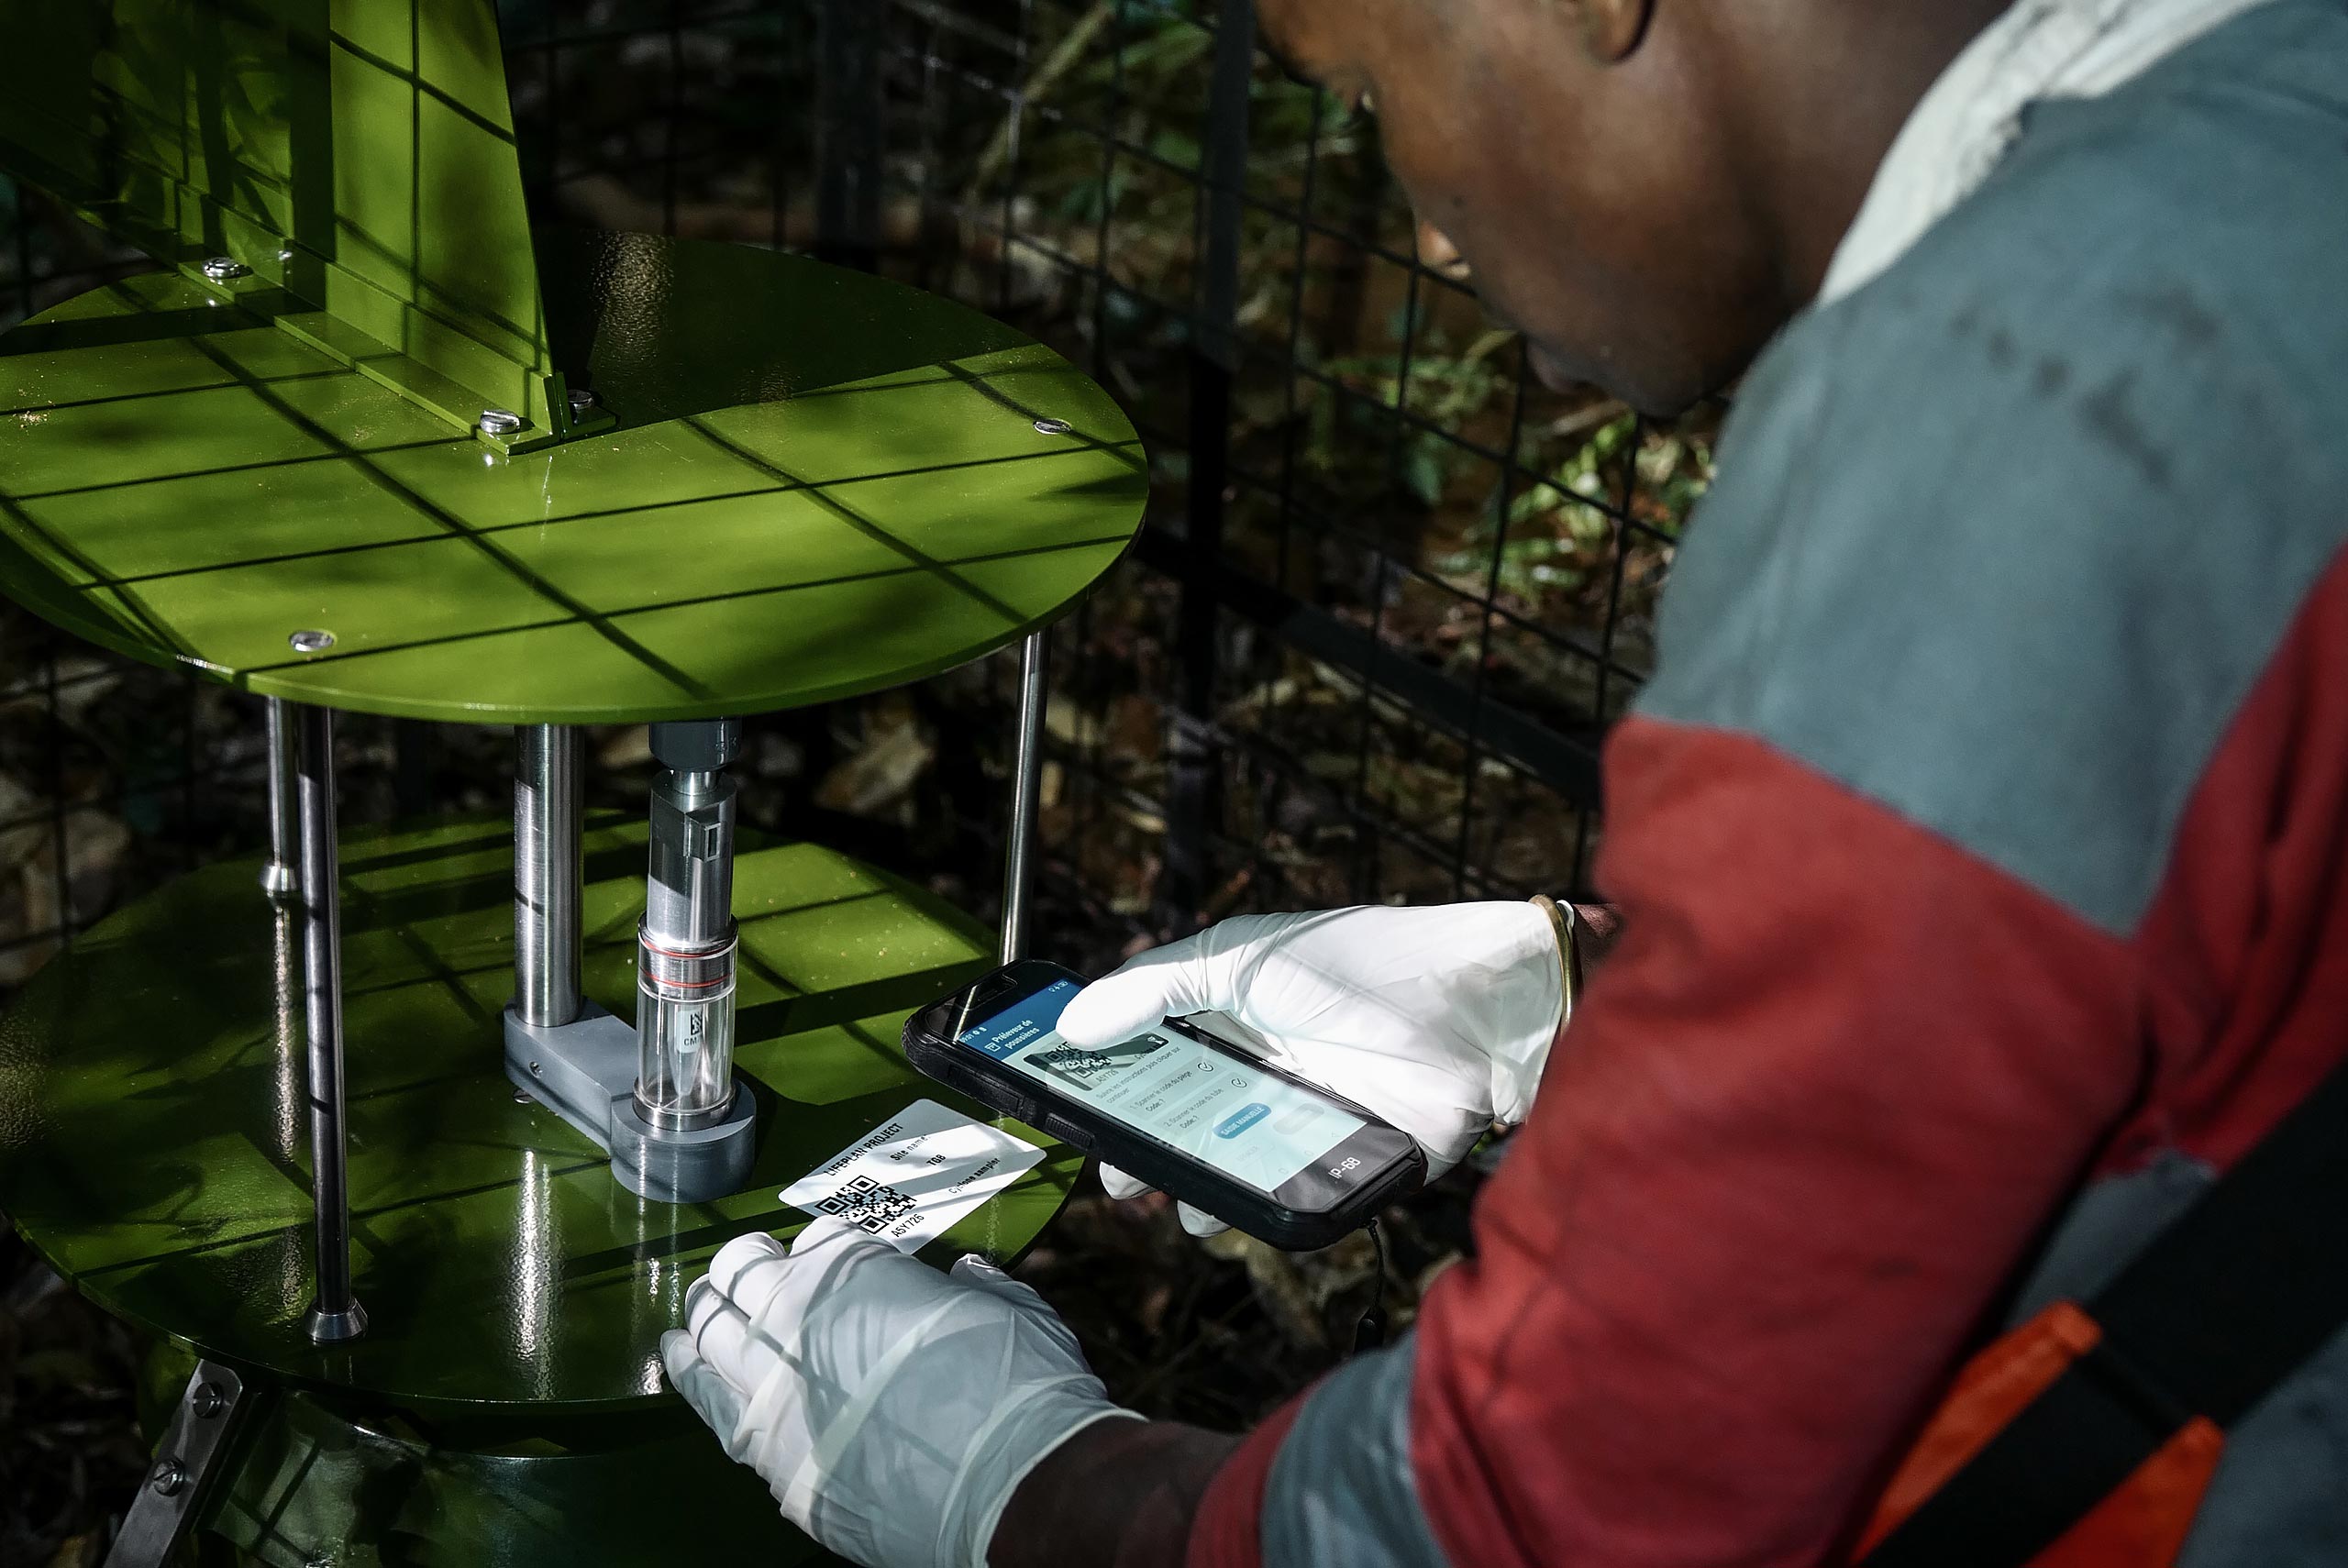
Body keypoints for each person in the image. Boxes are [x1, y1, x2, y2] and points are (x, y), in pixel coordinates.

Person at [659, 0, 2348, 1562]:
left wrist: (1032, 1486)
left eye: (1373, 91)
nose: (1434, 235)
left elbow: (1556, 1506)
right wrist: (1570, 994)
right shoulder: (2269, 135)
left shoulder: (1999, 424)